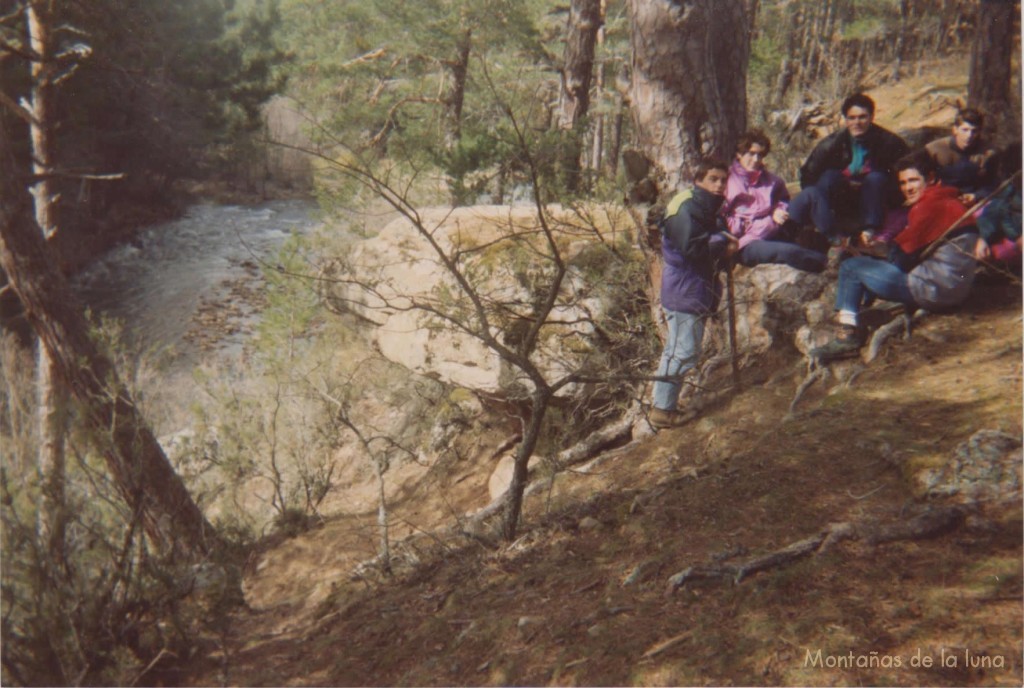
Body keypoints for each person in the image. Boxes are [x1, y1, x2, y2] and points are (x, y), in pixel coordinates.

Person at [811, 153, 979, 360]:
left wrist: (876, 252)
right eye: (902, 182)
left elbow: (901, 258)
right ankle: (858, 310)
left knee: (851, 267)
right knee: (868, 265)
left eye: (913, 180)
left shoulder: (929, 206)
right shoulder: (951, 201)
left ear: (932, 178)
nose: (907, 188)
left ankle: (848, 336)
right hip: (955, 289)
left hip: (935, 290)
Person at [649, 159, 737, 429]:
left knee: (677, 349)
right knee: (684, 350)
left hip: (693, 287)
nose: (720, 184)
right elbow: (693, 249)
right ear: (698, 180)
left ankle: (664, 405)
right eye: (713, 178)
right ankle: (662, 410)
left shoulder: (706, 206)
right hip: (684, 289)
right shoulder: (685, 207)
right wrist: (723, 242)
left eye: (723, 179)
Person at [796, 93, 910, 245]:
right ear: (846, 119)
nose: (857, 122)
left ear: (871, 117)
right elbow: (808, 175)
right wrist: (816, 205)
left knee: (876, 177)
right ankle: (828, 230)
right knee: (829, 177)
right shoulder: (831, 144)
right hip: (841, 197)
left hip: (875, 196)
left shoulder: (889, 142)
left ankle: (869, 231)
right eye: (852, 118)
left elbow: (907, 170)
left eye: (862, 117)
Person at [722, 130, 827, 272]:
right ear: (739, 154)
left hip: (775, 228)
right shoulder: (727, 181)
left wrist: (778, 209)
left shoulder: (771, 180)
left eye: (760, 155)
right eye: (751, 153)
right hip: (748, 242)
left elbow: (783, 199)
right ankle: (827, 264)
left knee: (810, 194)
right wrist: (754, 223)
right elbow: (722, 220)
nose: (755, 159)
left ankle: (835, 240)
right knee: (788, 251)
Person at [924, 108, 996, 204]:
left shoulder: (988, 152)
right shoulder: (934, 150)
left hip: (975, 201)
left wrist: (976, 196)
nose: (969, 135)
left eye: (974, 131)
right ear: (955, 130)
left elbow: (994, 183)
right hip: (943, 200)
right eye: (965, 130)